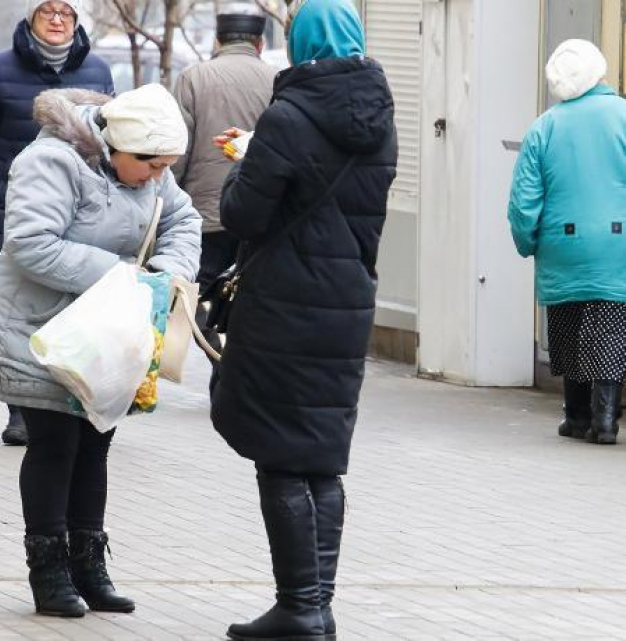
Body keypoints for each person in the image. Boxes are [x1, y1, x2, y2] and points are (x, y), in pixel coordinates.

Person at [0, 84, 200, 618]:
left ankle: (88, 567)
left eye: (167, 167)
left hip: (106, 332)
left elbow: (184, 222)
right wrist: (125, 277)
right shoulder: (51, 160)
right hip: (38, 327)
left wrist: (165, 274)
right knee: (55, 445)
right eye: (151, 166)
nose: (157, 177)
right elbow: (30, 242)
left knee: (95, 444)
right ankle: (49, 572)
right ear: (119, 148)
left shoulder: (152, 168)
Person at [210, 1, 398, 639]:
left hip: (285, 306)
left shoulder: (288, 116)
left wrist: (249, 159)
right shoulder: (381, 120)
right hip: (346, 307)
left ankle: (300, 606)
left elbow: (243, 216)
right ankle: (316, 603)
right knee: (320, 456)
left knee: (281, 458)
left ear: (301, 44)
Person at [0, 0, 114, 447]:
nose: (57, 20)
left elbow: (114, 146)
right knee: (21, 308)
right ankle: (22, 409)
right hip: (13, 210)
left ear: (76, 22)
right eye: (48, 11)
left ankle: (73, 397)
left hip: (83, 213)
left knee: (74, 308)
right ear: (32, 18)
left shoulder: (97, 71)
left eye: (66, 13)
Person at [509, 39, 626, 446]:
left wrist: (527, 242)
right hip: (617, 248)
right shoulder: (624, 116)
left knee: (570, 327)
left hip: (562, 246)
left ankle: (576, 416)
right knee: (610, 327)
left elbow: (524, 203)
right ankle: (607, 419)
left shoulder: (544, 126)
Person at [172, 3, 276, 296]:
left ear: (217, 41)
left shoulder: (192, 78)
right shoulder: (278, 80)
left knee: (197, 301)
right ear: (261, 43)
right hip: (258, 215)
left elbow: (177, 153)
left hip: (203, 214)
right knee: (249, 299)